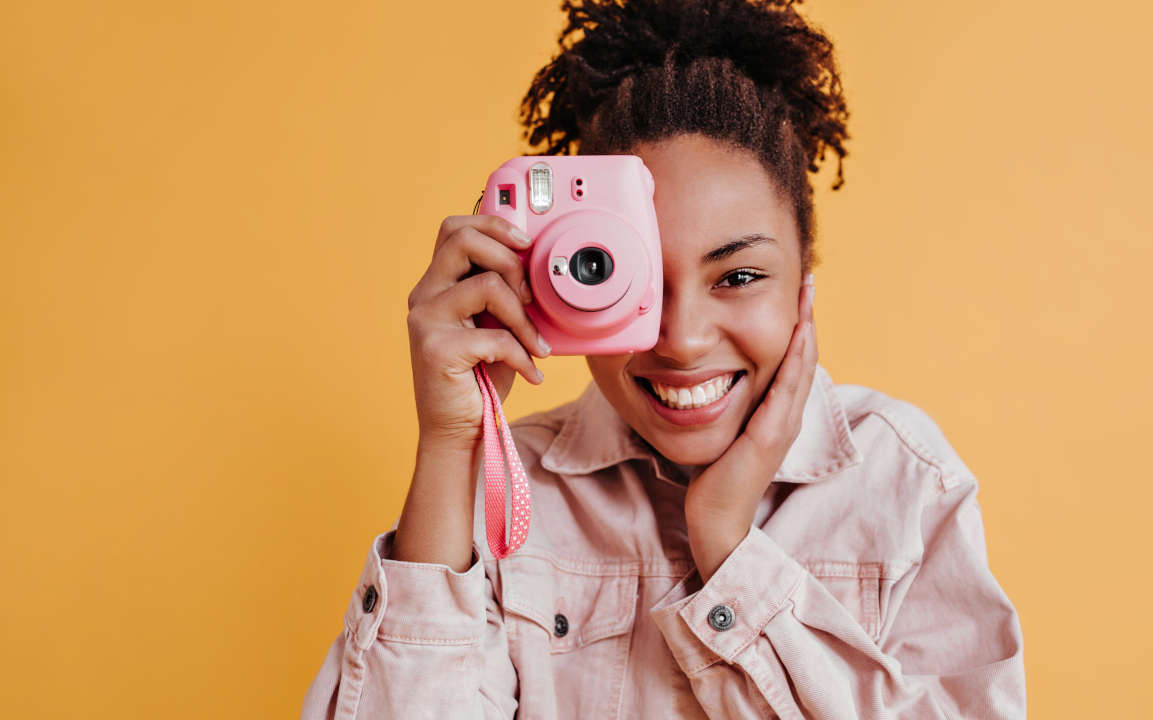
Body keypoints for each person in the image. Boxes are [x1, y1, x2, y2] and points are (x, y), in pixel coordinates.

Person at [300, 0, 1026, 717]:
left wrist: (730, 550)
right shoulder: (504, 495)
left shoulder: (903, 484)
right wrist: (450, 442)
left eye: (737, 277)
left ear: (805, 277)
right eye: (639, 282)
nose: (680, 339)